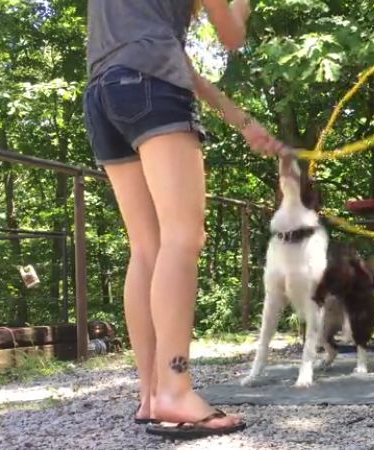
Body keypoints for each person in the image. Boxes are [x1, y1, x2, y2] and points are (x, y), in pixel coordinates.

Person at [83, 0, 284, 439]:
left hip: (103, 92)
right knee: (183, 236)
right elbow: (231, 36)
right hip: (151, 87)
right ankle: (175, 389)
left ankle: (152, 394)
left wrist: (240, 118)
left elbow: (163, 55)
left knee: (147, 247)